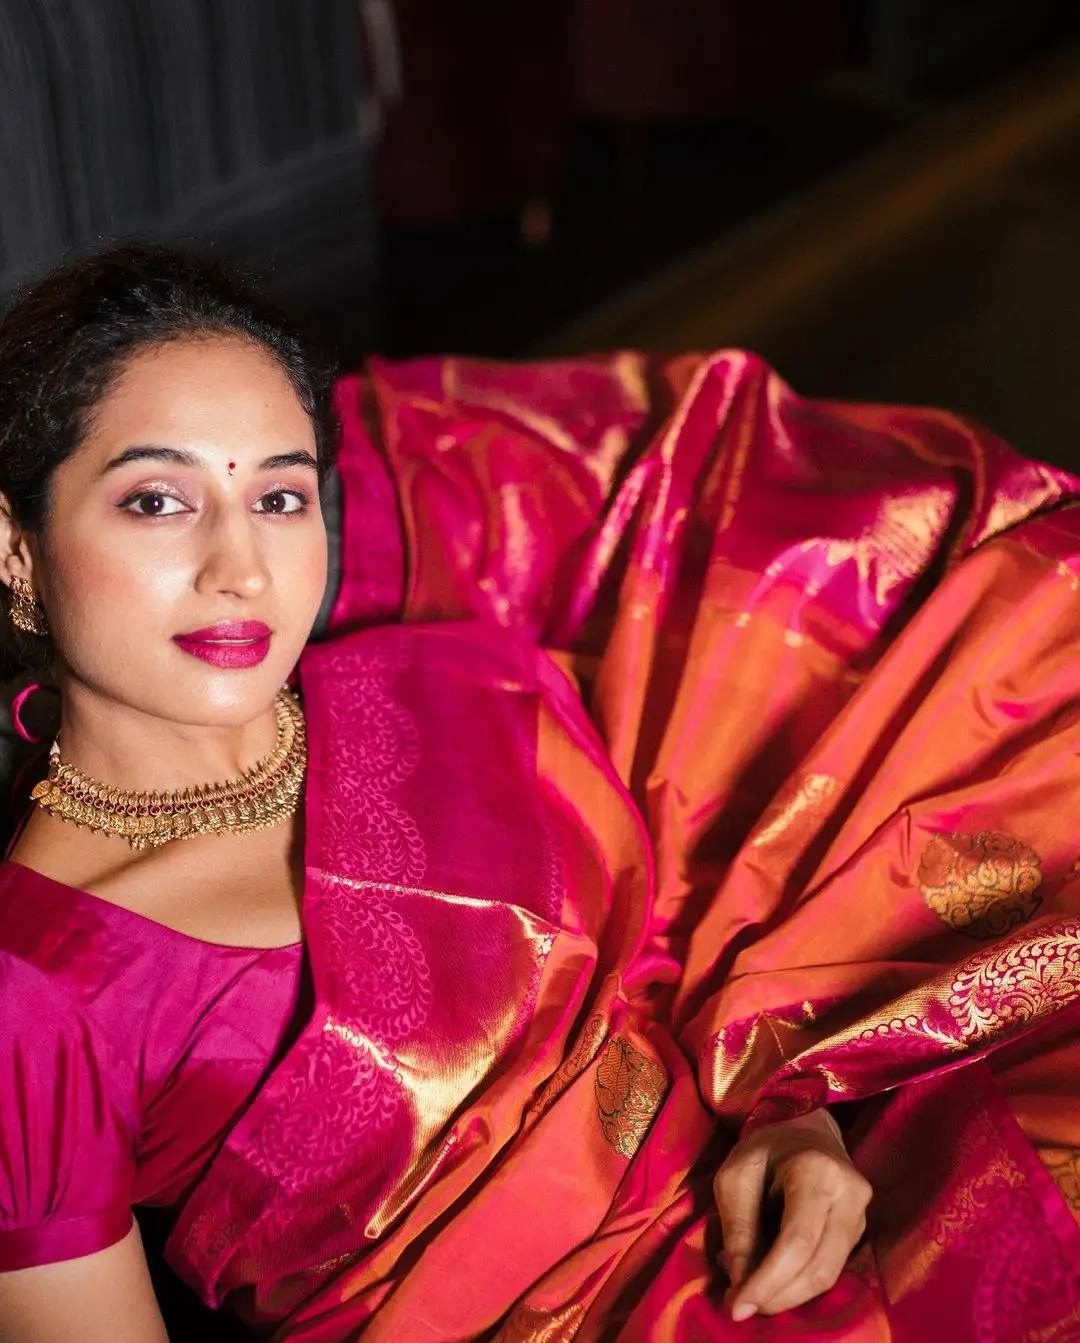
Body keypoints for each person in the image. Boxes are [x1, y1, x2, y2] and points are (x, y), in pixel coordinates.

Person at [0, 245, 1078, 1343]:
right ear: (15, 547)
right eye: (157, 499)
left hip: (796, 1231)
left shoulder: (427, 687)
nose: (241, 566)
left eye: (278, 494)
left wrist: (788, 1117)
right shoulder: (32, 993)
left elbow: (651, 952)